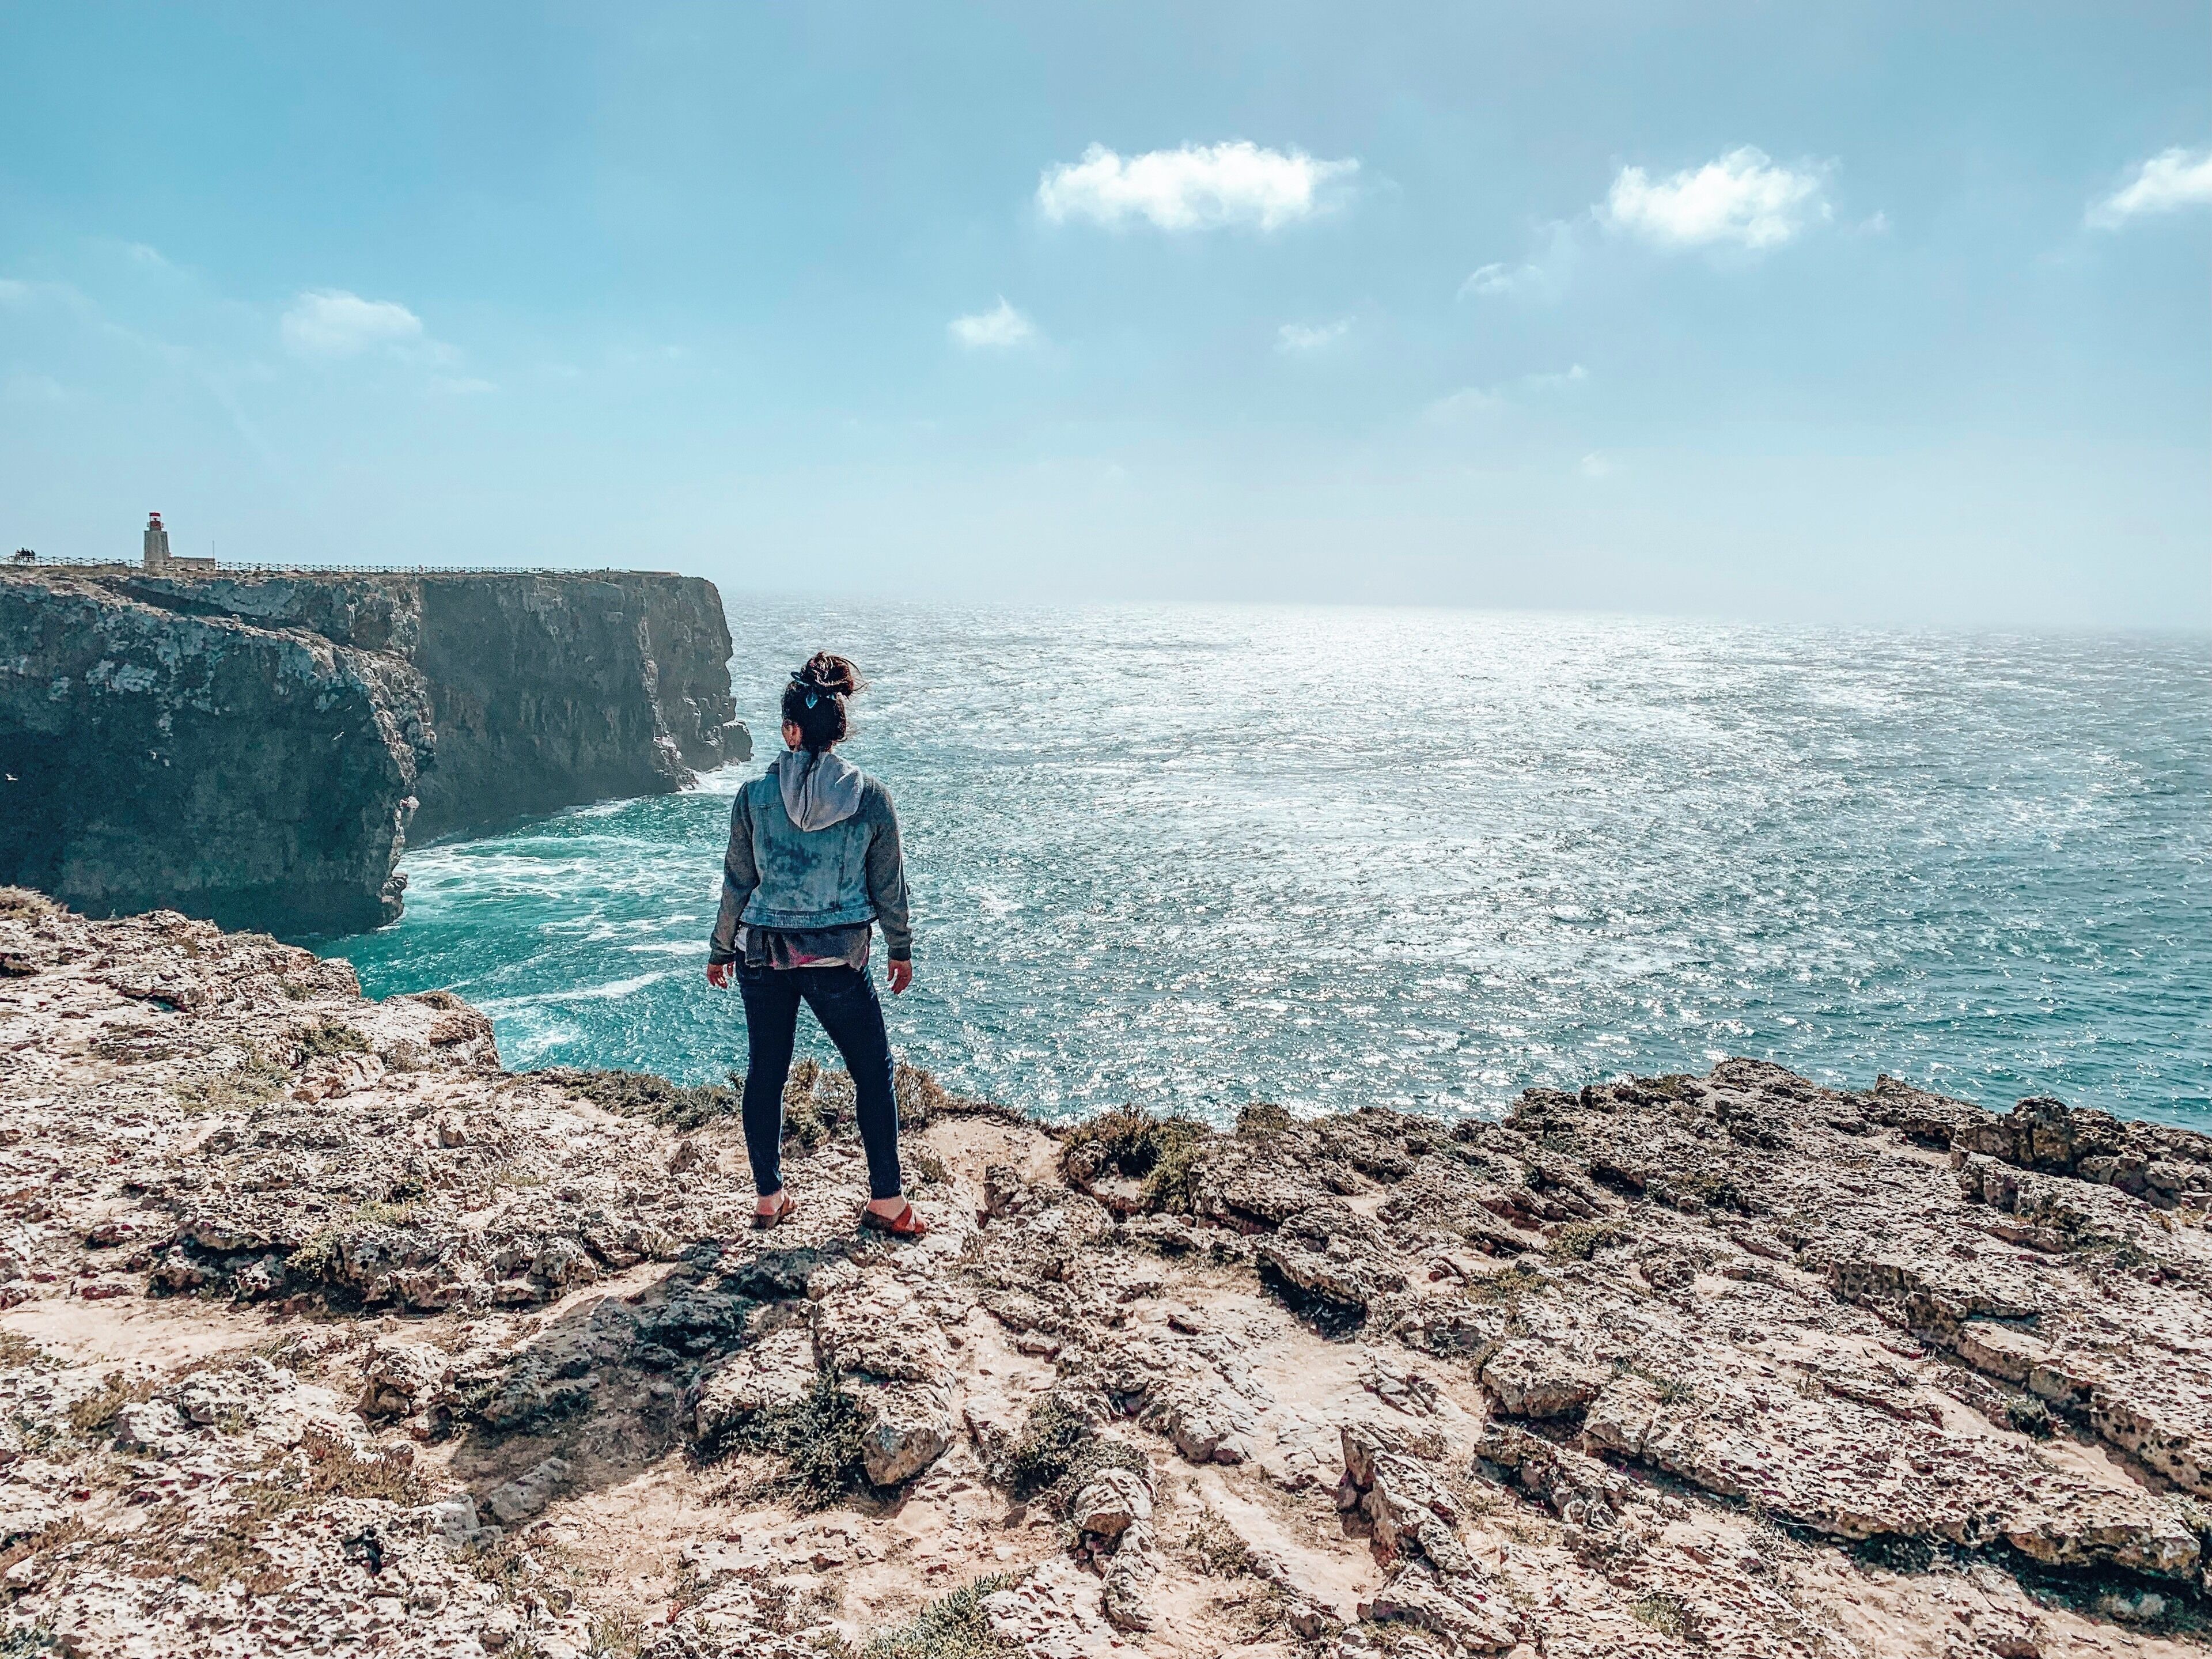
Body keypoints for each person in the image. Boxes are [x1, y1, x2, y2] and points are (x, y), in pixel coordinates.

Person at [704, 652, 924, 1237]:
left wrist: (720, 949)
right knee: (872, 1073)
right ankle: (886, 1201)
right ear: (840, 729)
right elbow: (889, 885)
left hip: (763, 956)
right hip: (836, 961)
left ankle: (770, 1197)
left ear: (790, 730)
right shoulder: (871, 798)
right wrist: (900, 947)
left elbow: (737, 881)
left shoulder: (753, 797)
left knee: (766, 1074)